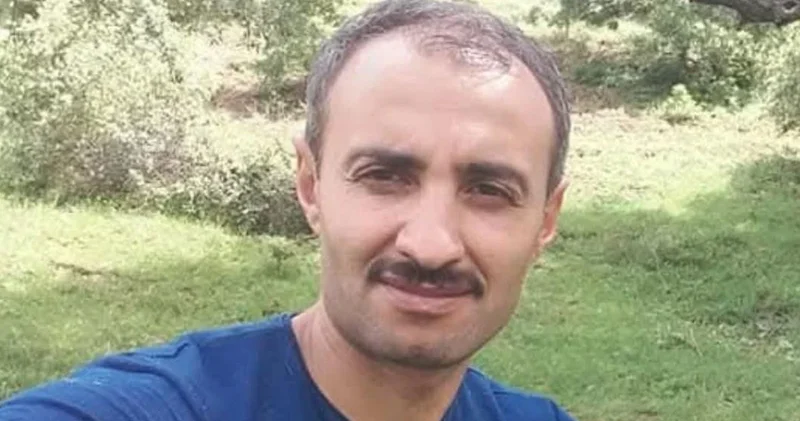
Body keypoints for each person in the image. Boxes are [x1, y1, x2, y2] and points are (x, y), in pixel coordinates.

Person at [0, 0, 574, 420]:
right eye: (384, 177)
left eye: (489, 190)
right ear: (310, 185)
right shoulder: (160, 407)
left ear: (545, 219)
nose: (430, 244)